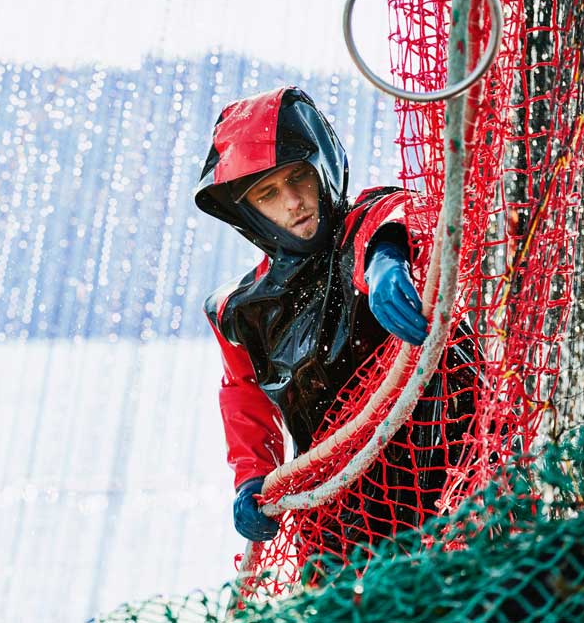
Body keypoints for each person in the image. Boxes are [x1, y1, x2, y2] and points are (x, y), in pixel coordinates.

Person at [194, 86, 476, 546]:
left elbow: (407, 214)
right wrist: (251, 478)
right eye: (268, 194)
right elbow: (243, 394)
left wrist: (389, 256)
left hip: (450, 469)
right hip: (342, 513)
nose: (292, 202)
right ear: (248, 213)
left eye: (298, 178)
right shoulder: (238, 311)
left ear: (323, 169)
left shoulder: (370, 221)